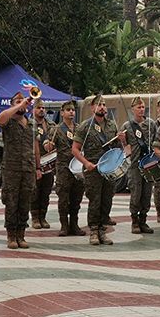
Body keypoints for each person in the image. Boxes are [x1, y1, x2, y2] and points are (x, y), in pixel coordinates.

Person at [72, 95, 123, 246]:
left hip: (109, 168)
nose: (102, 107)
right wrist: (86, 163)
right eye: (99, 104)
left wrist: (122, 139)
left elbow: (117, 148)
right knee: (95, 200)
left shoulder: (112, 125)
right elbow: (75, 149)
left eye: (104, 104)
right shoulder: (85, 126)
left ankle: (102, 231)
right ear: (92, 108)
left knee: (107, 200)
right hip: (93, 169)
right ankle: (93, 231)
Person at [0, 92, 39, 249]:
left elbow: (34, 148)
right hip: (11, 169)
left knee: (24, 203)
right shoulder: (8, 121)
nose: (23, 103)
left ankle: (21, 234)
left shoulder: (30, 123)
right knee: (11, 202)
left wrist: (37, 167)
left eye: (23, 101)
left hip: (28, 169)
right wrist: (18, 106)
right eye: (18, 101)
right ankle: (11, 235)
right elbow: (0, 118)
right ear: (12, 104)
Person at [48, 101, 84, 236]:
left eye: (73, 110)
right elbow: (48, 143)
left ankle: (74, 224)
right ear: (62, 113)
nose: (71, 112)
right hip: (63, 168)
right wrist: (48, 145)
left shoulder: (79, 128)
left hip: (77, 167)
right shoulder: (56, 129)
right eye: (68, 110)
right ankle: (64, 225)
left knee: (76, 197)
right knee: (63, 198)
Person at [123, 97, 156, 234]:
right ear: (132, 109)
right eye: (138, 107)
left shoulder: (151, 124)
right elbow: (124, 146)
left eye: (143, 107)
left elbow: (155, 140)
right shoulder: (127, 126)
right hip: (135, 164)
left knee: (147, 193)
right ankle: (134, 221)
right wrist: (123, 142)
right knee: (136, 193)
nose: (141, 109)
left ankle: (143, 220)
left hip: (149, 163)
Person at [31, 98, 55, 231]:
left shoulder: (51, 124)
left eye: (43, 108)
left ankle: (43, 216)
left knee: (46, 191)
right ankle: (35, 217)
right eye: (39, 108)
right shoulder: (30, 124)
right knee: (35, 191)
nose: (41, 110)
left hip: (49, 162)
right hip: (35, 161)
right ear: (33, 109)